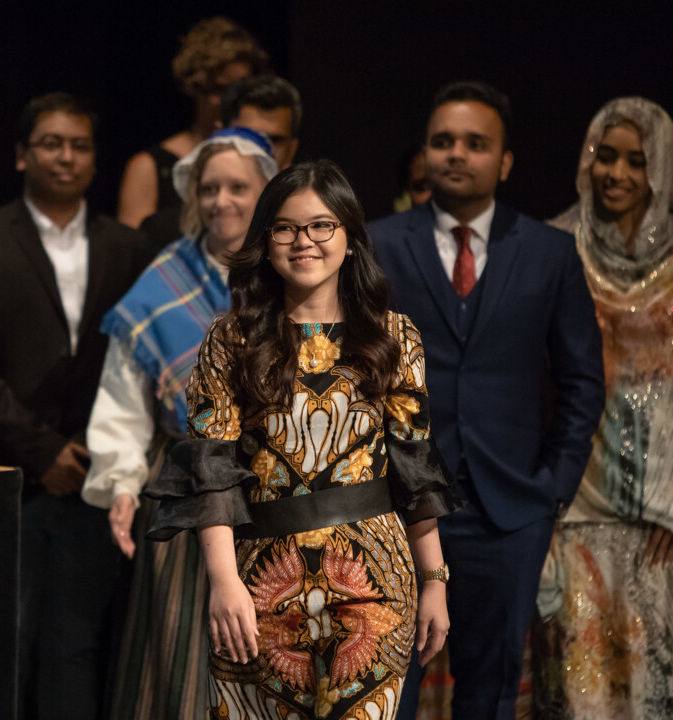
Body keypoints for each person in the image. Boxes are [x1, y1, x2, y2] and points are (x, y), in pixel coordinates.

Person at [146, 160, 463, 718]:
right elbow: (210, 469)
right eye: (286, 228)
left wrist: (433, 579)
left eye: (321, 225)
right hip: (259, 589)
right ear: (265, 241)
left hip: (374, 587)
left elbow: (415, 469)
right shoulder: (232, 340)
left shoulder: (394, 336)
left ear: (349, 236)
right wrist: (222, 581)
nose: (304, 241)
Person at [368, 81, 605, 719]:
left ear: (504, 162)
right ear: (424, 153)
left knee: (492, 687)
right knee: (388, 686)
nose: (457, 154)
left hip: (510, 511)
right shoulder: (379, 243)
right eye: (443, 141)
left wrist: (552, 489)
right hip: (400, 506)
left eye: (476, 143)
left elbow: (582, 381)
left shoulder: (550, 252)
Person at [0, 92, 150, 720]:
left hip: (97, 483)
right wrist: (41, 450)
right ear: (21, 156)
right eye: (52, 143)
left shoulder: (127, 246)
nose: (67, 157)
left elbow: (133, 365)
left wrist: (94, 456)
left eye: (80, 146)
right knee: (7, 643)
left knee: (77, 648)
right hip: (10, 481)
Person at [531, 97, 673, 719]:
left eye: (636, 162)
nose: (616, 173)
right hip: (574, 497)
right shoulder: (556, 242)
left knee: (655, 678)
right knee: (579, 681)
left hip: (660, 513)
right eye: (605, 156)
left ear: (660, 169)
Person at [83, 127, 277, 719]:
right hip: (188, 498)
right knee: (179, 668)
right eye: (209, 188)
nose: (222, 200)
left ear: (266, 191)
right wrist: (120, 480)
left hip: (279, 497)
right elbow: (123, 399)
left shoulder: (294, 274)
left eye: (237, 187)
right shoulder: (164, 281)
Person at [117, 16, 270, 229]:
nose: (229, 99)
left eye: (240, 88)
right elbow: (131, 254)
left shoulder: (265, 158)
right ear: (194, 86)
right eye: (218, 88)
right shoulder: (149, 167)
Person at [139, 74, 302, 250]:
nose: (259, 150)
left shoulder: (306, 232)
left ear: (292, 149)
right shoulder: (163, 234)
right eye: (245, 137)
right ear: (219, 136)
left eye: (274, 140)